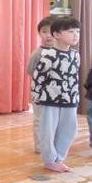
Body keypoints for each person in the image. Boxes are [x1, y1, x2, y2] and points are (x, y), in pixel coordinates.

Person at [31, 16, 81, 172]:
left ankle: (58, 158)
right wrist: (36, 96)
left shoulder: (75, 55)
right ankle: (49, 160)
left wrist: (75, 96)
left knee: (69, 130)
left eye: (77, 31)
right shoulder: (48, 55)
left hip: (70, 100)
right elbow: (38, 77)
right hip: (50, 100)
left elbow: (74, 78)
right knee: (48, 130)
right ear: (57, 35)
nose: (75, 35)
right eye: (71, 32)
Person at [26, 17, 55, 153]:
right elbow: (30, 70)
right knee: (39, 119)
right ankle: (39, 146)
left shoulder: (60, 52)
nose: (48, 35)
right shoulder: (37, 54)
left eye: (51, 31)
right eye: (44, 32)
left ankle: (51, 144)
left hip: (55, 93)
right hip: (39, 93)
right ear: (39, 33)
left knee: (53, 120)